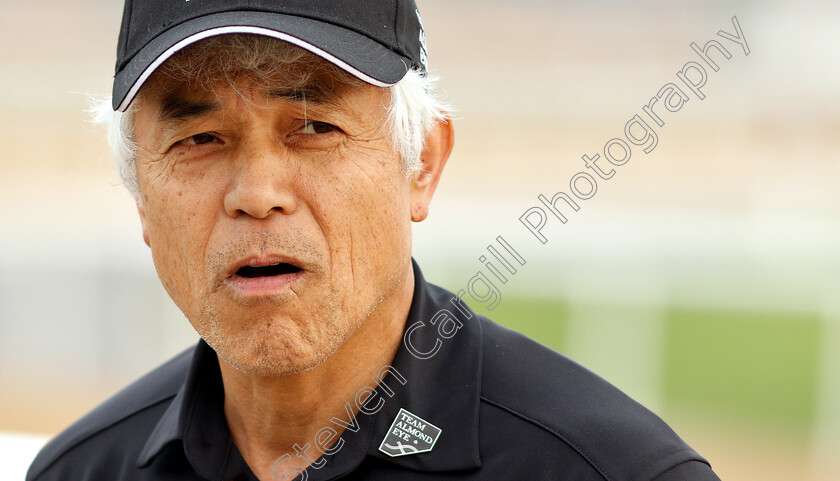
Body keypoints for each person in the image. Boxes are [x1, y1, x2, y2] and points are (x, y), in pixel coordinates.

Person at [27, 1, 721, 480]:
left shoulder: (613, 470)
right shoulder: (80, 470)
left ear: (421, 162)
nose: (257, 192)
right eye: (199, 139)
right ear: (140, 196)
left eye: (315, 127)